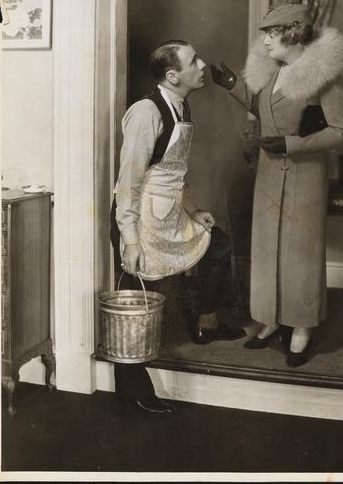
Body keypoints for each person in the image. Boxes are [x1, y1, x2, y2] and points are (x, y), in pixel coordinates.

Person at [211, 4, 343, 367]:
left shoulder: (324, 76)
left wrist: (291, 144)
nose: (265, 42)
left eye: (271, 34)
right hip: (270, 175)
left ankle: (301, 327)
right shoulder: (275, 70)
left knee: (301, 256)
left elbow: (341, 131)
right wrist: (232, 84)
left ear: (293, 33)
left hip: (305, 177)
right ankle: (272, 320)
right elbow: (265, 109)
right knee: (267, 250)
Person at [110, 40, 245, 415]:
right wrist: (130, 239)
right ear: (173, 76)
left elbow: (173, 170)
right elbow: (129, 181)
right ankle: (133, 391)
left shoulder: (182, 105)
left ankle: (207, 320)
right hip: (141, 216)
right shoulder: (146, 112)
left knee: (217, 245)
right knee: (137, 302)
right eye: (193, 61)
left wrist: (193, 209)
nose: (203, 66)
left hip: (170, 209)